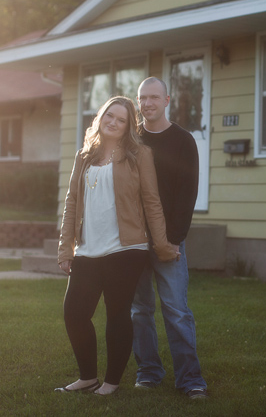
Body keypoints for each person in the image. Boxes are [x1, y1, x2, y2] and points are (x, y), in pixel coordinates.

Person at [55, 96, 179, 396]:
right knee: (74, 313)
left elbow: (151, 201)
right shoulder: (84, 156)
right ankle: (88, 378)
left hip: (126, 249)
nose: (113, 122)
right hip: (87, 249)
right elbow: (72, 203)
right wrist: (65, 248)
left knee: (117, 314)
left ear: (128, 127)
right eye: (109, 115)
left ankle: (111, 382)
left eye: (121, 119)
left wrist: (162, 245)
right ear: (101, 117)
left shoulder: (140, 154)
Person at [131, 77, 208, 400]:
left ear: (166, 101)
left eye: (154, 97)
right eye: (142, 98)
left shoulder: (183, 140)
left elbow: (187, 194)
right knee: (139, 310)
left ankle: (190, 380)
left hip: (168, 239)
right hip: (134, 240)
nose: (147, 103)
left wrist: (174, 239)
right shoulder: (131, 138)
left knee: (176, 310)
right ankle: (148, 372)